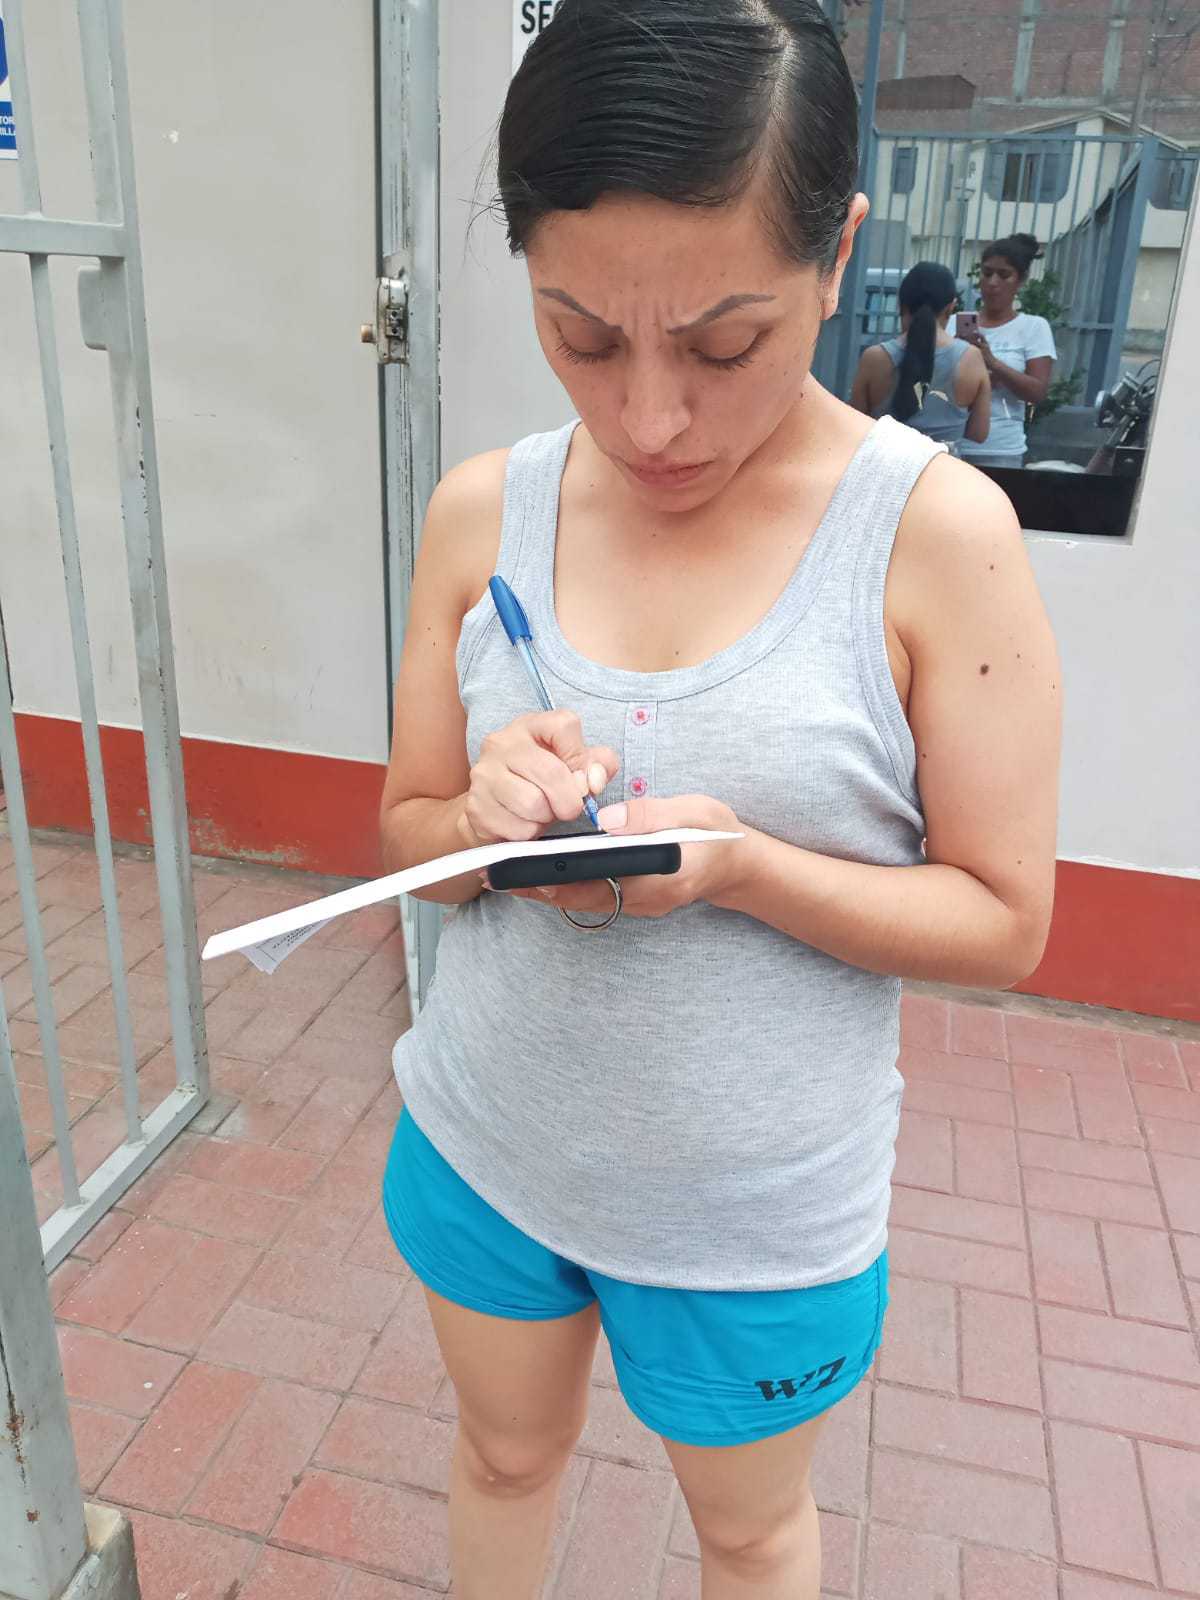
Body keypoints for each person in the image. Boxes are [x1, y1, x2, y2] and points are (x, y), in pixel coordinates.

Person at [377, 4, 1061, 1596]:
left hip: (754, 1216)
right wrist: (476, 827)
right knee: (500, 1459)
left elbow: (1006, 920)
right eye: (581, 336)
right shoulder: (482, 516)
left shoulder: (934, 539)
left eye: (724, 345)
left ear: (838, 257)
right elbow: (407, 840)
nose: (649, 420)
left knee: (748, 1535)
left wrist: (745, 866)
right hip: (486, 1140)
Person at [850, 260, 990, 449]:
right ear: (951, 307)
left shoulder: (875, 358)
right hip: (945, 466)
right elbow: (979, 433)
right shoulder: (971, 358)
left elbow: (855, 428)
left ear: (901, 304)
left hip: (883, 465)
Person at [958, 233, 1057, 468]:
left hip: (1002, 450)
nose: (993, 283)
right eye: (987, 273)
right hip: (954, 445)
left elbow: (1037, 392)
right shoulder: (956, 324)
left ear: (1021, 281)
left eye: (1004, 275)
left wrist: (993, 363)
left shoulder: (1033, 327)